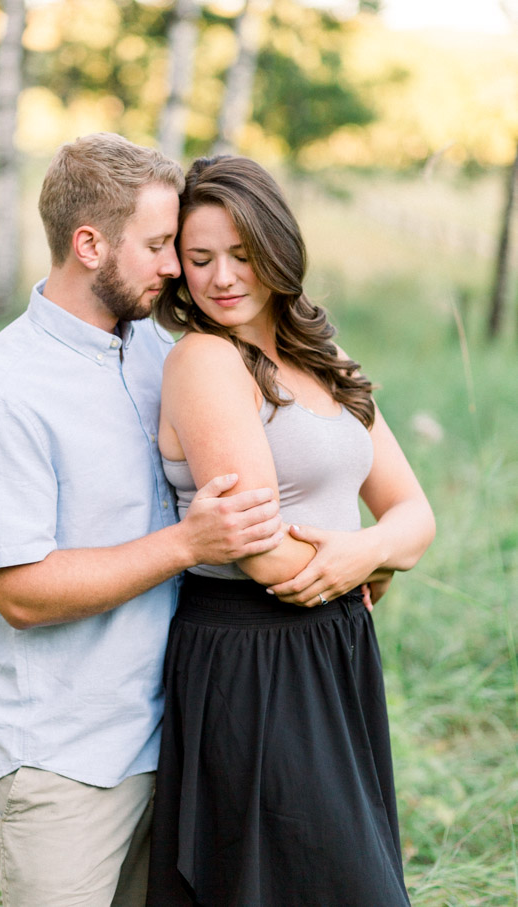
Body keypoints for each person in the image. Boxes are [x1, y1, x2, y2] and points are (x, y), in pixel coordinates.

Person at [0, 134, 286, 907]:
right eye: (160, 244)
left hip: (180, 734)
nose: (176, 266)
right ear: (89, 244)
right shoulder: (4, 393)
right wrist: (186, 541)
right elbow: (22, 592)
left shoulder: (156, 352)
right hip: (67, 764)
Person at [146, 155, 436, 906]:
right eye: (200, 258)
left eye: (242, 254)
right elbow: (263, 552)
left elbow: (415, 514)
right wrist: (362, 559)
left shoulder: (324, 359)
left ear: (277, 247)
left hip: (336, 647)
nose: (221, 277)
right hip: (253, 656)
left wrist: (364, 551)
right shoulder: (205, 360)